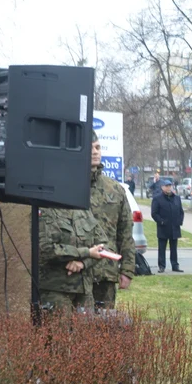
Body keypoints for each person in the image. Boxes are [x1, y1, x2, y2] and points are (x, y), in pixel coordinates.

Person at [88, 132, 135, 308]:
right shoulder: (70, 186)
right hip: (75, 272)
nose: (95, 152)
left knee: (104, 329)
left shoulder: (114, 189)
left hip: (105, 271)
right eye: (90, 148)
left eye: (98, 148)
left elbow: (125, 232)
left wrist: (127, 269)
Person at [38, 205, 105, 312]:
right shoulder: (45, 210)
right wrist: (86, 252)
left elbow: (103, 245)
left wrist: (83, 263)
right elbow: (46, 249)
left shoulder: (83, 210)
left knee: (85, 328)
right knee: (59, 329)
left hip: (85, 291)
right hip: (56, 290)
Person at [151, 179, 184, 273]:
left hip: (174, 227)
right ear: (162, 187)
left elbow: (181, 212)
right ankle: (162, 266)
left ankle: (175, 265)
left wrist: (180, 221)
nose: (169, 188)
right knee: (162, 248)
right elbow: (154, 213)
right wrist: (161, 221)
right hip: (163, 227)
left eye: (170, 186)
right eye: (167, 186)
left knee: (174, 248)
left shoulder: (177, 198)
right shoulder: (157, 198)